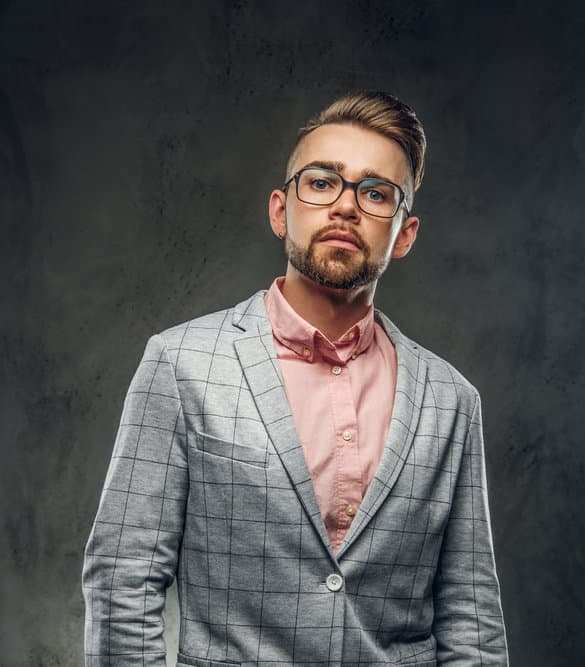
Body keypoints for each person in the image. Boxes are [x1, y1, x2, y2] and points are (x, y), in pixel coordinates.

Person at [82, 91, 509, 666]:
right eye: (322, 182)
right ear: (281, 210)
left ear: (404, 235)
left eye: (376, 193)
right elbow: (121, 583)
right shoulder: (182, 364)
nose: (346, 207)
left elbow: (470, 620)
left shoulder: (452, 401)